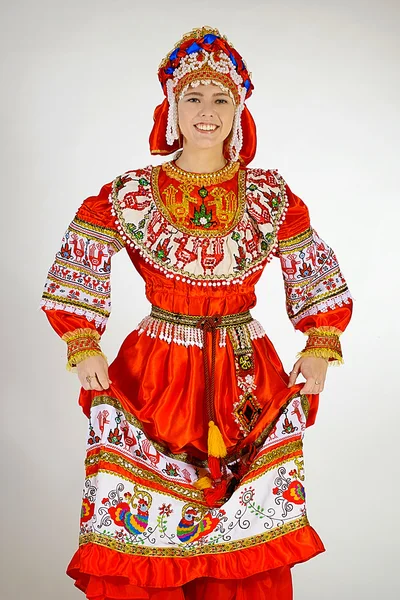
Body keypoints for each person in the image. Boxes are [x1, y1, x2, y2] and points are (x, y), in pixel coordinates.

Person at [41, 26, 352, 600]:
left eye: (220, 99)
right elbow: (76, 267)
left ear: (239, 109)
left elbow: (315, 275)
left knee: (244, 535)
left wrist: (319, 343)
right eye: (193, 98)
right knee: (150, 528)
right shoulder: (132, 193)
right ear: (171, 108)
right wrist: (82, 340)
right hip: (156, 372)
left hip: (244, 374)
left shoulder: (269, 197)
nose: (206, 112)